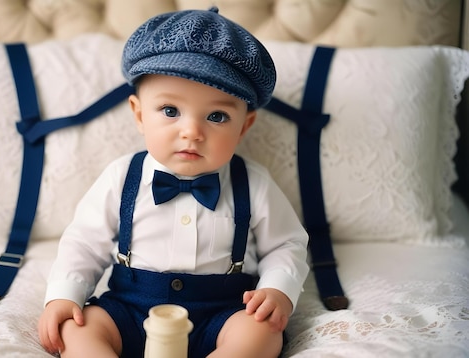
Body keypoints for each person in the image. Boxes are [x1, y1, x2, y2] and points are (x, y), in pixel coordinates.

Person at [38, 7, 309, 358]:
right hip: (130, 312)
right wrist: (63, 296)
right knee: (78, 328)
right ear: (138, 114)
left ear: (244, 126)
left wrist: (278, 290)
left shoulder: (253, 183)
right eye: (170, 111)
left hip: (221, 315)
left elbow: (286, 243)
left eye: (217, 116)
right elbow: (83, 244)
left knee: (261, 334)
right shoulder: (122, 177)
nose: (192, 132)